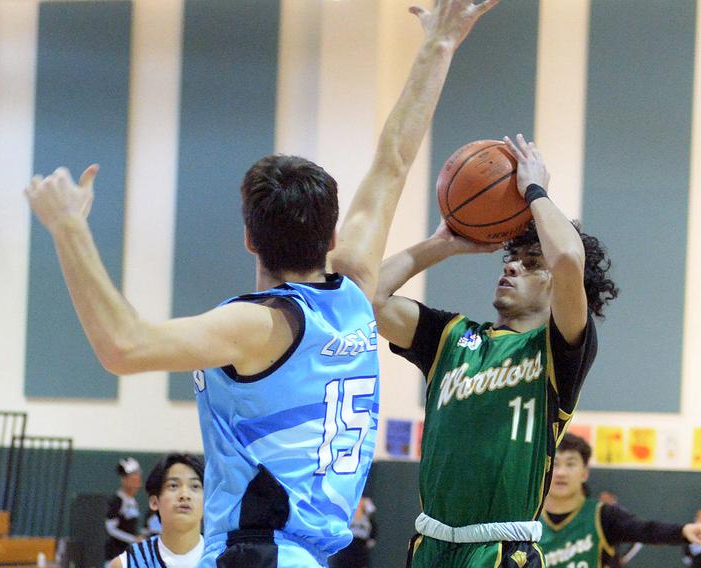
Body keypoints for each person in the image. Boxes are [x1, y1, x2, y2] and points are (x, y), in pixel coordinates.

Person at [25, 1, 498, 565]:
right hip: (310, 554)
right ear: (330, 238)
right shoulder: (352, 294)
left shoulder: (257, 325)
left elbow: (122, 345)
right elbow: (394, 159)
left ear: (249, 238)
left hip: (259, 554)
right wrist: (439, 44)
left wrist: (68, 230)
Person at [373, 136, 617, 567]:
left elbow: (568, 262)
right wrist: (442, 244)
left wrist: (534, 191)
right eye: (512, 257)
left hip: (501, 551)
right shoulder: (449, 337)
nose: (512, 265)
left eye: (531, 262)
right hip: (429, 543)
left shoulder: (559, 349)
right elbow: (364, 298)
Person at [539, 434, 701, 568]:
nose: (561, 472)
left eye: (570, 464)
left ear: (585, 472)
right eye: (554, 464)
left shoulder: (604, 515)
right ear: (543, 470)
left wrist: (683, 531)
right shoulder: (528, 519)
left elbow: (646, 530)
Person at [110, 454, 204, 568]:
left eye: (194, 486)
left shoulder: (225, 558)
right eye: (173, 485)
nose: (184, 495)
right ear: (154, 502)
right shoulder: (126, 564)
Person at [105, 458, 143, 563]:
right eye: (130, 477)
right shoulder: (117, 501)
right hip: (115, 555)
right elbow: (110, 528)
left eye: (137, 476)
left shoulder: (133, 501)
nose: (135, 481)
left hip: (128, 555)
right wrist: (133, 539)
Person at [328, 496, 377, 568]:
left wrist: (371, 541)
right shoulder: (347, 513)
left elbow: (373, 530)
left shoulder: (367, 519)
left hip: (360, 548)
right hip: (346, 548)